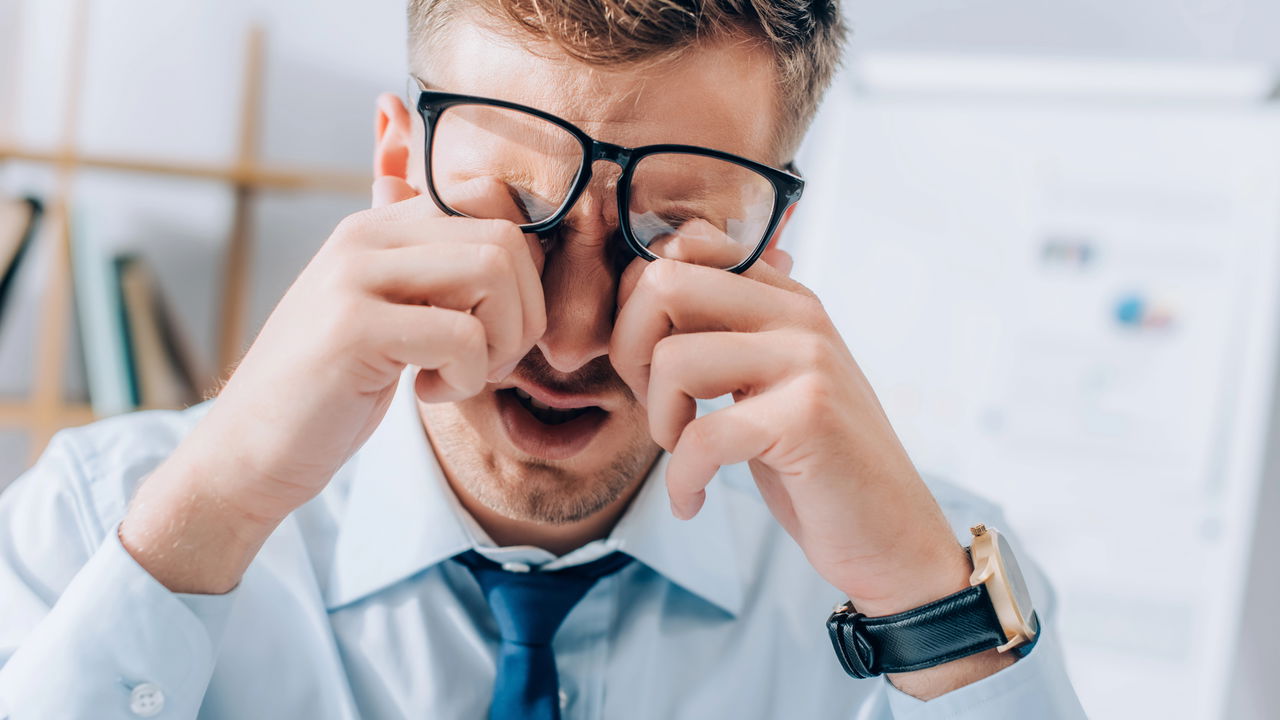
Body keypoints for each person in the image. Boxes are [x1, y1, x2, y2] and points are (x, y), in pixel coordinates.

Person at [0, 1, 1086, 718]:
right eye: (512, 214)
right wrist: (215, 508)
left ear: (768, 237)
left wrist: (922, 611)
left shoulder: (927, 581)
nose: (567, 338)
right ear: (396, 168)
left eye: (663, 235)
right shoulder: (90, 534)